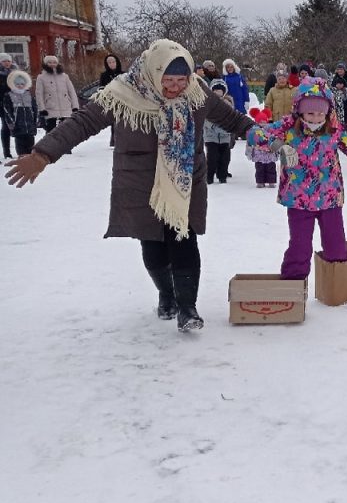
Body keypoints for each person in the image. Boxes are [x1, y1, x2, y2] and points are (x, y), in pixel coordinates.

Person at [4, 39, 254, 332]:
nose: (175, 87)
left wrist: (260, 135)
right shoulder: (122, 93)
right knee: (153, 245)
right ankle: (166, 294)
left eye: (181, 80)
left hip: (183, 182)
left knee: (184, 240)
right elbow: (82, 122)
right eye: (168, 80)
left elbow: (231, 119)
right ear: (153, 72)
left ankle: (187, 307)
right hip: (140, 182)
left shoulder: (197, 91)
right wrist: (43, 153)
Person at [246, 77, 347, 280]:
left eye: (320, 114)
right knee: (300, 246)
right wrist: (278, 145)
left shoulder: (333, 131)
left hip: (329, 198)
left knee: (335, 245)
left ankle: (337, 282)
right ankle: (293, 285)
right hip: (298, 199)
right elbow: (254, 133)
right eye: (310, 113)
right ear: (299, 111)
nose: (315, 118)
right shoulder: (288, 128)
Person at [35, 55, 79, 133]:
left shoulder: (64, 76)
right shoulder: (41, 77)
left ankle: (66, 145)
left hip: (65, 108)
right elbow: (39, 94)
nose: (52, 64)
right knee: (51, 132)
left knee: (66, 132)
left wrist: (75, 106)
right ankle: (50, 145)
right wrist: (42, 109)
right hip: (50, 109)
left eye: (54, 62)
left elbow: (72, 92)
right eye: (50, 62)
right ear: (46, 64)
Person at [204, 80, 234, 184]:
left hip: (224, 136)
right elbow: (205, 118)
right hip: (211, 136)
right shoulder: (207, 102)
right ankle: (209, 176)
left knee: (225, 158)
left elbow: (231, 117)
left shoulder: (228, 103)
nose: (218, 92)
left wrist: (227, 128)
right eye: (215, 90)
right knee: (212, 158)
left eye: (220, 90)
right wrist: (212, 126)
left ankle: (222, 175)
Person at [2, 70, 38, 156]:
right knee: (20, 145)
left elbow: (35, 109)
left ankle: (30, 159)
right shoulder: (9, 96)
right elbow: (7, 111)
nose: (20, 86)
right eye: (17, 84)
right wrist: (11, 123)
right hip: (18, 126)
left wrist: (36, 121)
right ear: (13, 84)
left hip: (30, 126)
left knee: (30, 144)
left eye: (22, 84)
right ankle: (22, 158)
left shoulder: (29, 95)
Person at [245, 107, 277, 188]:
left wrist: (277, 150)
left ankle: (271, 181)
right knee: (259, 169)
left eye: (264, 121)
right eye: (260, 122)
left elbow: (276, 139)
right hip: (258, 154)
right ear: (256, 121)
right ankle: (260, 182)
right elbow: (249, 142)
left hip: (270, 154)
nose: (262, 123)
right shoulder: (253, 131)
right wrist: (249, 151)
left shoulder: (271, 129)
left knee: (271, 168)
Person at [0, 52, 13, 158]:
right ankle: (6, 152)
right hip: (2, 103)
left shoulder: (15, 73)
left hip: (13, 103)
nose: (7, 63)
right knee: (5, 126)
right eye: (4, 61)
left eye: (9, 61)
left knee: (10, 126)